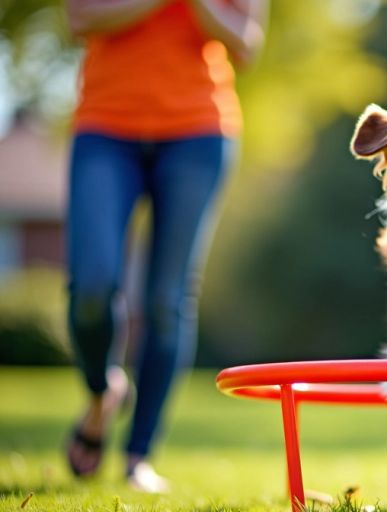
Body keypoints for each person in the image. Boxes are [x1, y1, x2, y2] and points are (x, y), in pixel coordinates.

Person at [63, 0, 265, 492]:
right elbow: (79, 19)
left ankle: (139, 457)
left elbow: (246, 43)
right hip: (105, 127)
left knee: (167, 299)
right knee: (92, 284)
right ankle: (100, 394)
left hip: (197, 131)